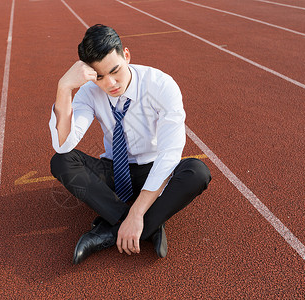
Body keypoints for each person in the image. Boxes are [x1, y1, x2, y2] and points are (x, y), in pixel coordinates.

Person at [49, 24, 211, 264]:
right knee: (61, 161)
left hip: (155, 172)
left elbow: (169, 154)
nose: (111, 83)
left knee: (197, 172)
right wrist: (64, 87)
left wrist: (136, 213)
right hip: (115, 171)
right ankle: (150, 226)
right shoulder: (89, 92)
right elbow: (63, 145)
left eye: (115, 70)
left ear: (126, 55)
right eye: (100, 77)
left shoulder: (161, 85)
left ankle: (109, 229)